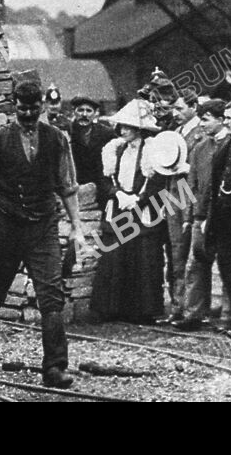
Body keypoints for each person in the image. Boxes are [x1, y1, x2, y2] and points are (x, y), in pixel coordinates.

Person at [0, 80, 90, 389]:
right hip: (7, 226)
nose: (27, 114)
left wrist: (77, 225)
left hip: (43, 226)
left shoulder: (57, 139)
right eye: (22, 109)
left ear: (41, 108)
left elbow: (67, 185)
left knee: (51, 296)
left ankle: (54, 368)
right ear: (14, 106)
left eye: (33, 109)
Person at [91, 99, 168, 324]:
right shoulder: (115, 150)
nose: (123, 130)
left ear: (139, 129)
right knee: (115, 255)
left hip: (142, 211)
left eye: (129, 127)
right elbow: (104, 179)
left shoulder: (152, 150)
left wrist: (139, 199)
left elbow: (158, 181)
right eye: (121, 126)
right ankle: (114, 308)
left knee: (142, 257)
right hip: (119, 208)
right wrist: (118, 194)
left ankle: (142, 311)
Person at [175, 99, 231, 331]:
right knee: (195, 264)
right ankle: (194, 313)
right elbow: (191, 185)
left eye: (206, 120)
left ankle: (229, 316)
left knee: (228, 265)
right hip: (201, 215)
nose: (203, 125)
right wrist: (188, 217)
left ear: (221, 120)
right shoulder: (200, 148)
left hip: (225, 215)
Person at [164, 90, 205, 323]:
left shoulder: (201, 133)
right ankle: (178, 306)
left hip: (192, 195)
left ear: (193, 107)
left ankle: (193, 309)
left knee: (192, 255)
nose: (175, 113)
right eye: (173, 109)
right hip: (174, 196)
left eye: (180, 108)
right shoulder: (176, 132)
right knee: (176, 251)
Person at [67, 96, 114, 207]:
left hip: (100, 188)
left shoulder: (106, 133)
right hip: (75, 188)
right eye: (80, 110)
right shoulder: (67, 132)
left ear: (95, 114)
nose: (84, 114)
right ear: (74, 112)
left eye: (89, 111)